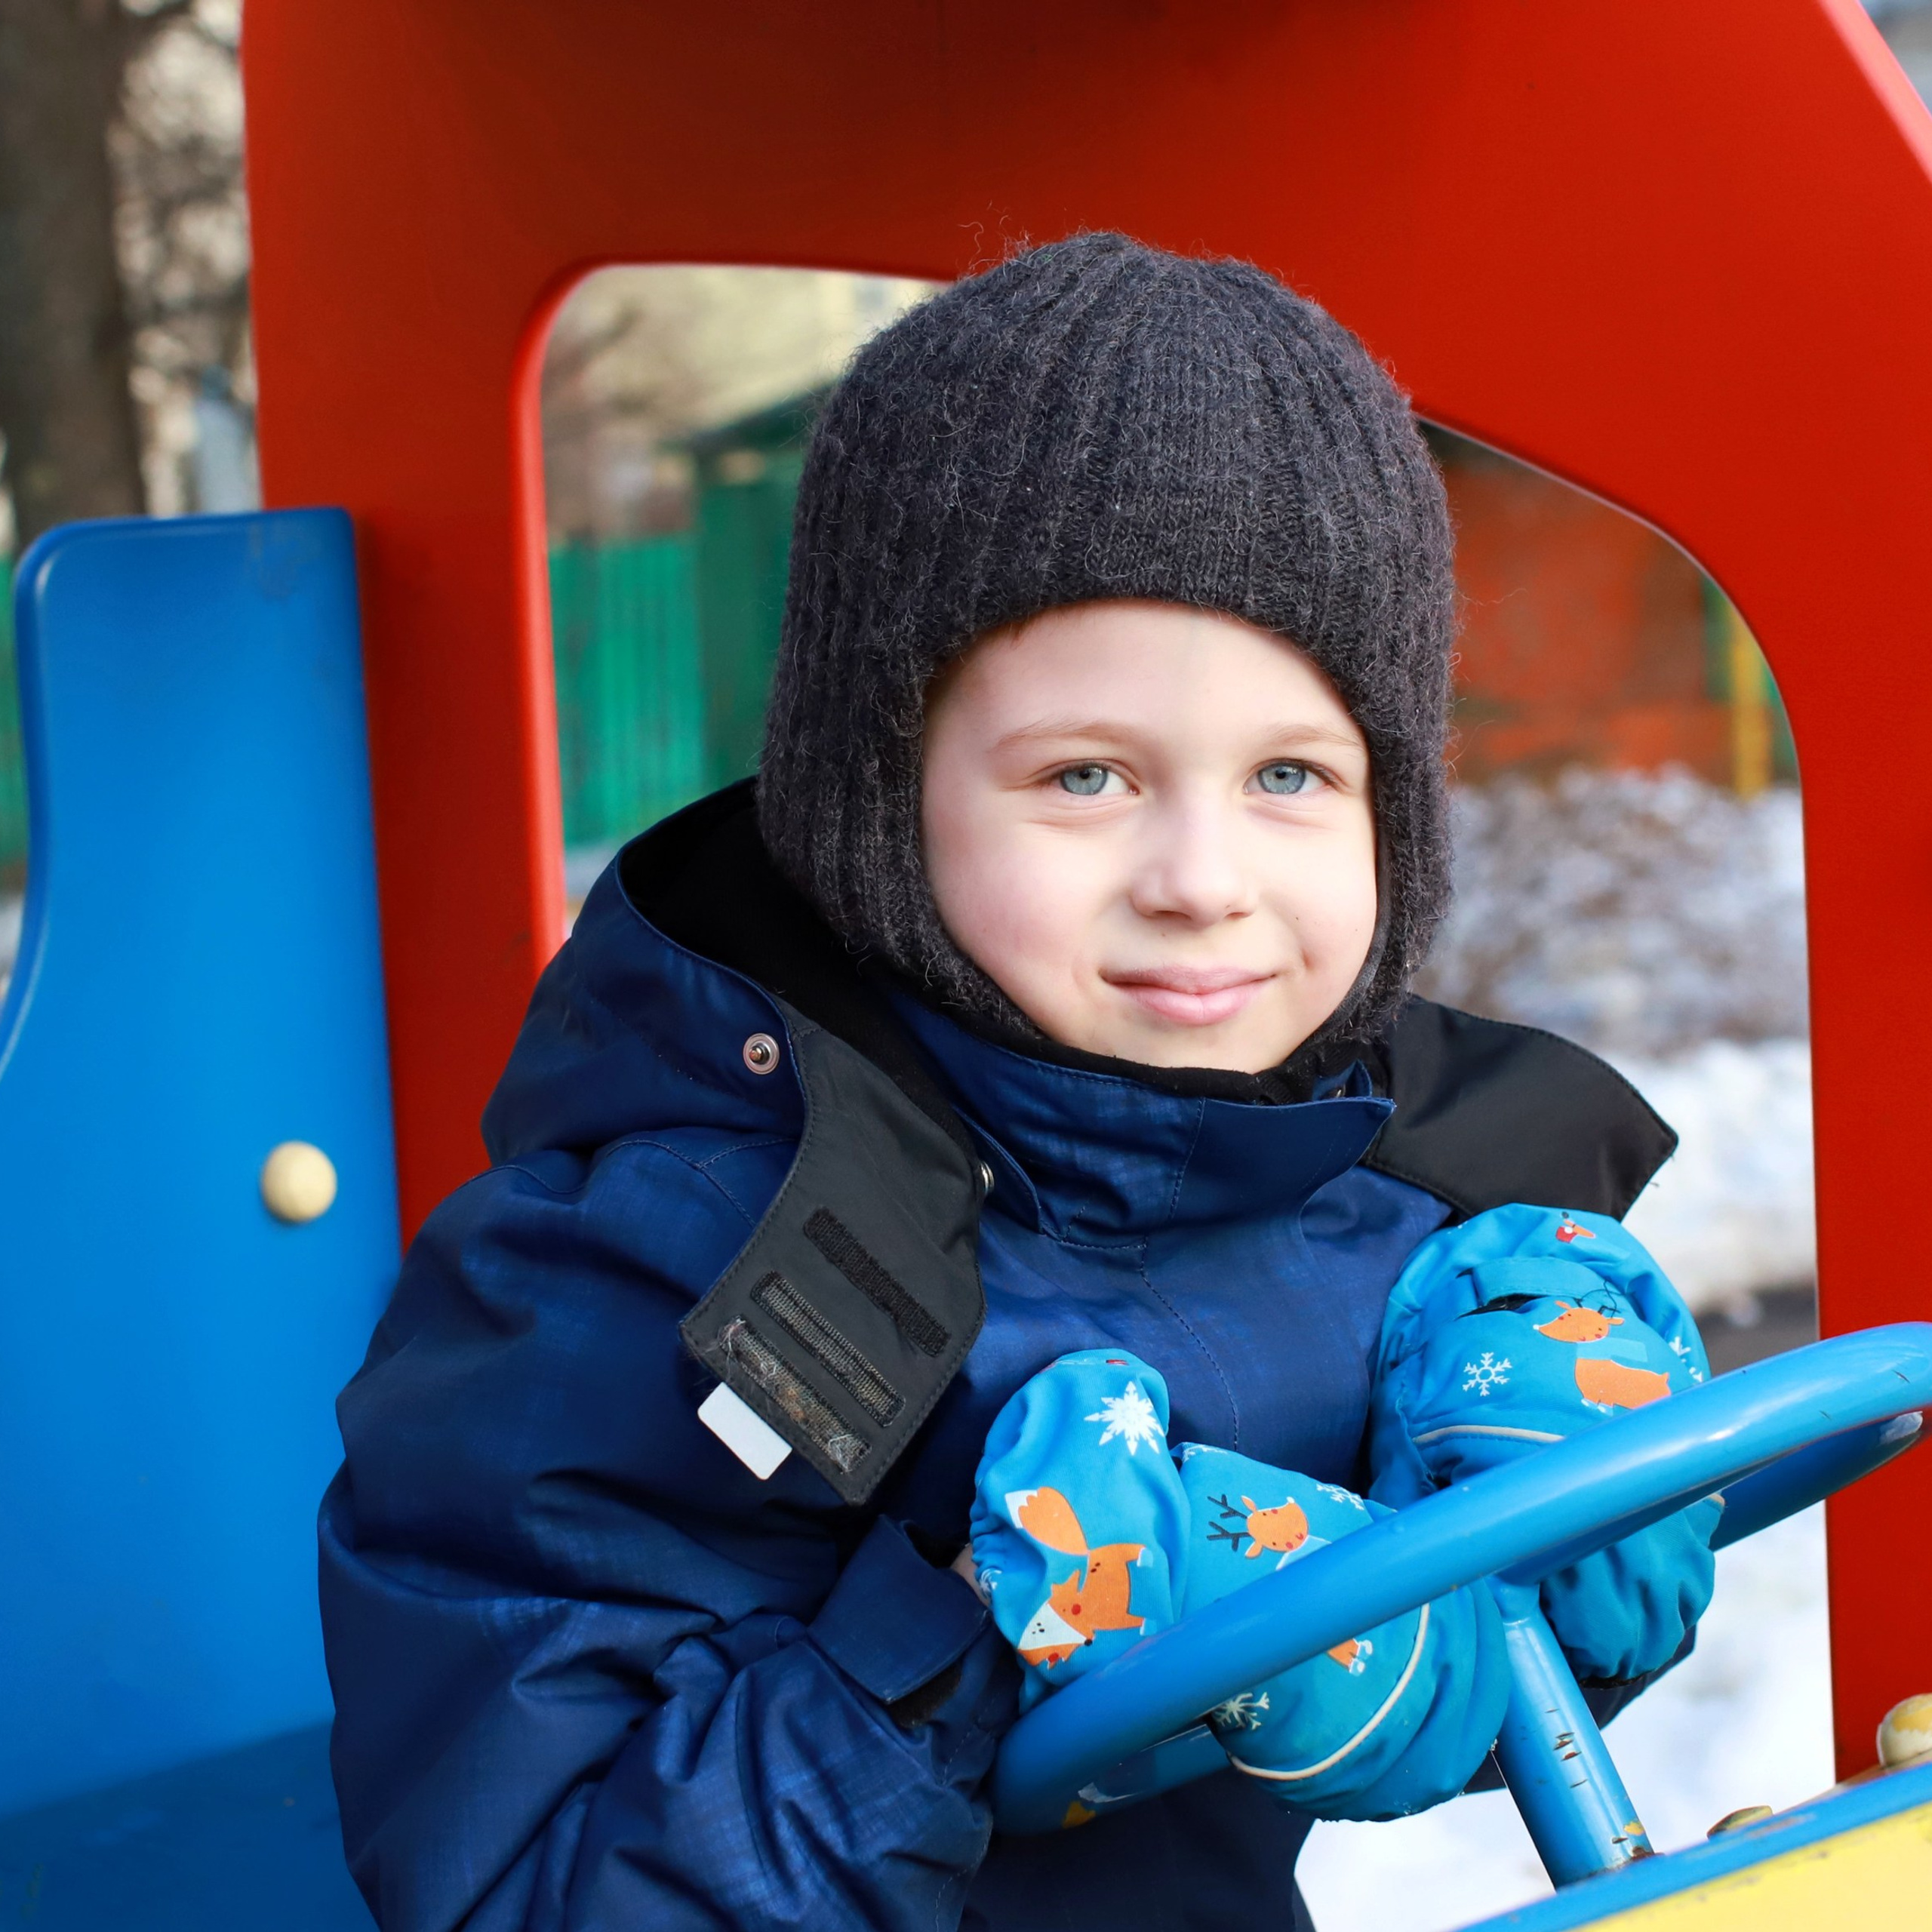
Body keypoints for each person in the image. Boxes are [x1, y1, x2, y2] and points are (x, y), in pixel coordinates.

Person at [319, 232, 1709, 1932]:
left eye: (1288, 771)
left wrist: (1537, 1470)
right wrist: (980, 1622)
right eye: (1084, 774)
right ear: (878, 800)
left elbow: (1414, 1685)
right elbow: (527, 1880)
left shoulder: (1374, 1169)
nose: (1200, 875)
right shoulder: (661, 1267)